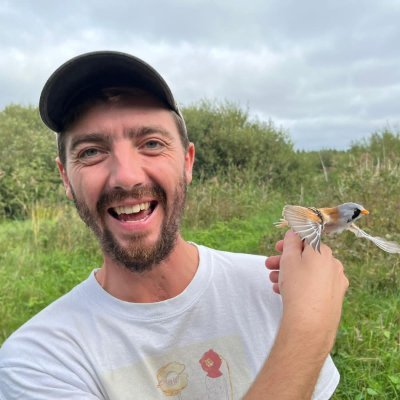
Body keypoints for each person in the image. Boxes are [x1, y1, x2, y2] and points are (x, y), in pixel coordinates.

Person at [0, 51, 348, 399]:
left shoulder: (275, 290)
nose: (126, 177)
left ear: (187, 162)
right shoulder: (37, 361)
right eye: (91, 152)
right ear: (65, 178)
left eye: (151, 144)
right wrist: (307, 331)